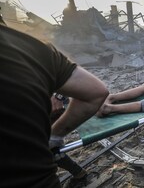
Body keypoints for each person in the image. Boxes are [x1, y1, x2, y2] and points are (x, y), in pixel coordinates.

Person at [0, 22, 109, 187]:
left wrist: (56, 95)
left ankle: (78, 173)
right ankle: (78, 173)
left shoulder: (32, 50)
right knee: (52, 149)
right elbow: (95, 92)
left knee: (52, 149)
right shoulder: (33, 48)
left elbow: (95, 92)